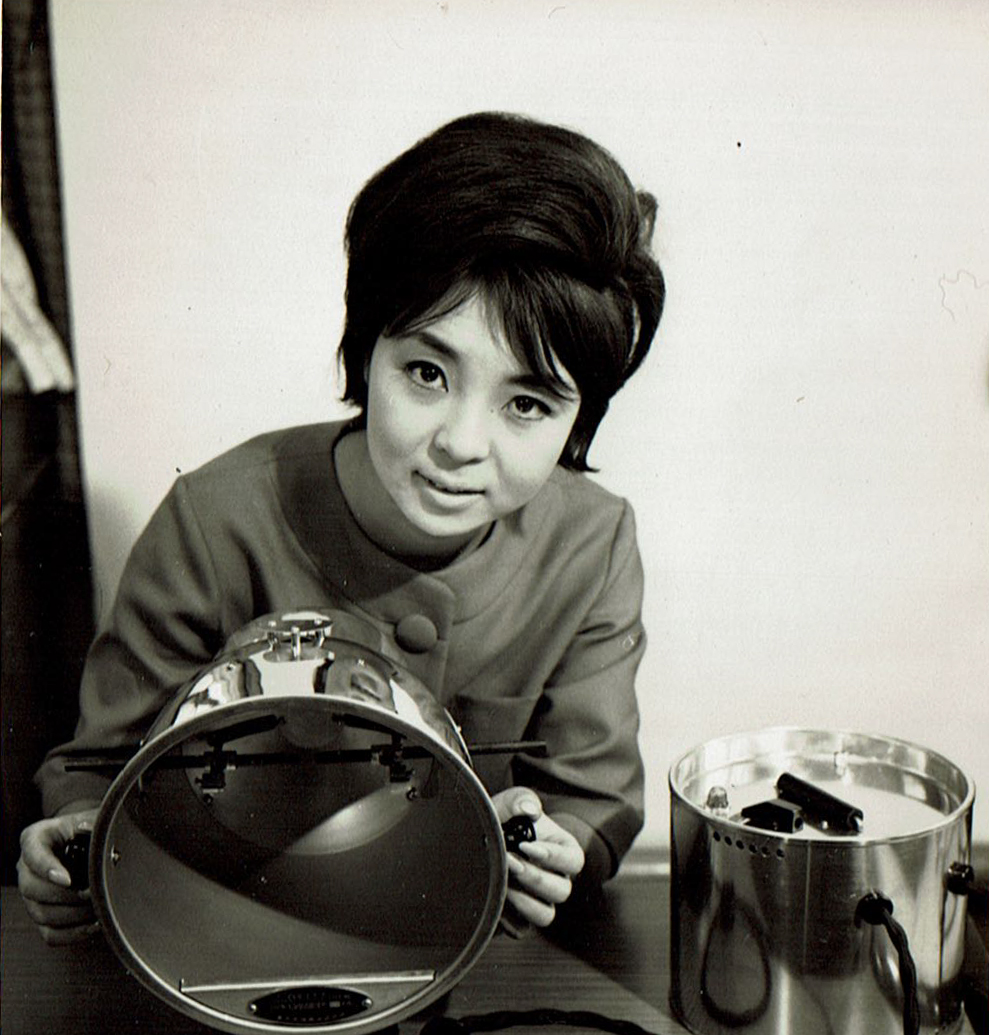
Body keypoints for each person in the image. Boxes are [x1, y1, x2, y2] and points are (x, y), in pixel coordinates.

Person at [18, 111, 665, 944]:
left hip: (465, 953)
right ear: (365, 351)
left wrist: (554, 848)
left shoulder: (594, 542)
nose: (462, 443)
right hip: (233, 932)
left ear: (580, 418)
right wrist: (75, 837)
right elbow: (100, 767)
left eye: (528, 404)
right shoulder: (214, 517)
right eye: (426, 372)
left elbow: (592, 795)